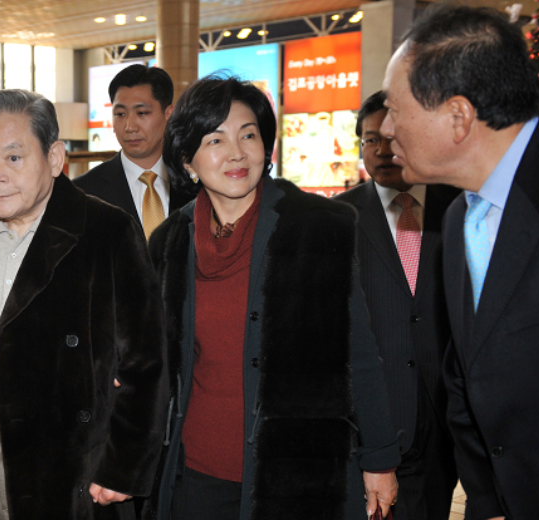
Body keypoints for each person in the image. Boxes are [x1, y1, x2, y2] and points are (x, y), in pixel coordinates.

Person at [148, 76, 400, 520]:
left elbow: (357, 352)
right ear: (187, 159)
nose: (237, 153)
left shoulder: (317, 226)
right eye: (215, 140)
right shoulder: (170, 242)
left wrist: (379, 458)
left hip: (296, 473)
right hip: (197, 475)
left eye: (248, 135)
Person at [0, 89, 169, 520]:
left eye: (14, 157)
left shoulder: (106, 231)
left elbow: (146, 364)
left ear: (54, 158)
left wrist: (122, 466)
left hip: (66, 460)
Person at [380, 5, 539, 520]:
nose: (385, 129)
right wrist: (489, 499)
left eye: (394, 109)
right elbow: (465, 374)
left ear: (458, 116)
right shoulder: (457, 217)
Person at [335, 91, 460, 520]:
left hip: (446, 415)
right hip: (375, 421)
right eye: (370, 140)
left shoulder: (458, 207)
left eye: (390, 138)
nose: (382, 150)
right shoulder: (337, 219)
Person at [74, 64, 194, 239]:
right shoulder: (82, 192)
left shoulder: (194, 185)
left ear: (169, 114)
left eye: (142, 113)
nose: (130, 127)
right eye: (120, 114)